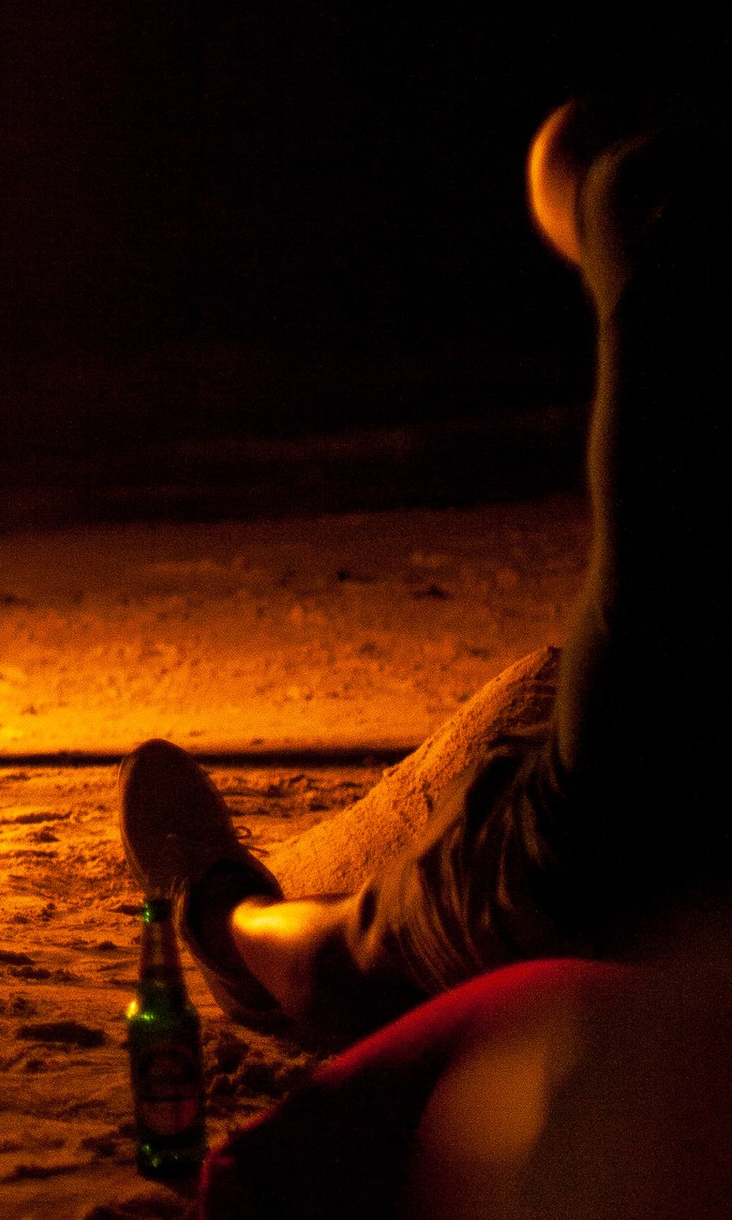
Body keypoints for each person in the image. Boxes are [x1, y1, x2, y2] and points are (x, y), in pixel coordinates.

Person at [120, 95, 729, 1051]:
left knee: (335, 958)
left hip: (609, 845)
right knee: (528, 702)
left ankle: (226, 923)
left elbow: (566, 154)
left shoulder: (653, 199)